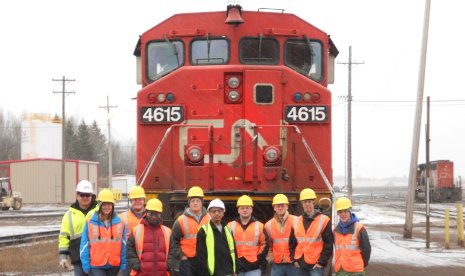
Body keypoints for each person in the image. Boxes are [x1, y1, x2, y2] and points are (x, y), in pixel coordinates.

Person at [80, 188, 127, 275]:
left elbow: (124, 245)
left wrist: (124, 264)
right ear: (99, 205)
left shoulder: (120, 222)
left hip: (114, 265)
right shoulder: (90, 222)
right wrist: (86, 265)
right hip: (96, 265)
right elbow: (84, 245)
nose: (106, 207)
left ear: (113, 205)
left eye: (109, 204)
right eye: (104, 204)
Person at [58, 180, 98, 275]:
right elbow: (64, 237)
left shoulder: (99, 212)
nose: (85, 197)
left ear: (91, 195)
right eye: (82, 195)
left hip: (97, 259)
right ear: (77, 195)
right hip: (78, 259)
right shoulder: (69, 215)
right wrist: (63, 257)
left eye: (87, 195)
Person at [168, 186, 210, 276]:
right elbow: (173, 240)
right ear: (189, 202)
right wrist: (181, 256)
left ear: (202, 202)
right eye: (193, 201)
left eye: (198, 201)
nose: (195, 203)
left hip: (205, 260)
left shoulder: (209, 219)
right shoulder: (181, 220)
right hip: (187, 262)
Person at [127, 198, 172, 275]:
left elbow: (173, 250)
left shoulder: (168, 232)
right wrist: (137, 265)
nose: (154, 217)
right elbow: (130, 249)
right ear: (146, 213)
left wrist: (168, 265)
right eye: (151, 213)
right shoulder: (136, 230)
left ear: (160, 214)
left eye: (156, 214)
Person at [293, 188, 333, 276]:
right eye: (305, 202)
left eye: (309, 201)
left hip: (316, 265)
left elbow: (329, 244)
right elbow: (292, 242)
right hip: (300, 264)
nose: (307, 204)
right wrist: (294, 260)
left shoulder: (324, 220)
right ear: (302, 204)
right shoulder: (297, 221)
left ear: (313, 203)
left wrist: (321, 262)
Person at [227, 195, 269, 276]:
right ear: (238, 210)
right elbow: (226, 245)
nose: (245, 210)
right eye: (242, 208)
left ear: (251, 209)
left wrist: (259, 259)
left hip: (253, 267)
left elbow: (265, 244)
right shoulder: (230, 226)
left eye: (247, 208)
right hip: (236, 267)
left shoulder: (259, 226)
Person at [196, 198, 237, 276]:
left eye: (219, 211)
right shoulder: (203, 231)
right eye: (214, 211)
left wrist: (235, 270)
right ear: (209, 213)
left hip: (228, 272)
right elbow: (201, 256)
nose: (217, 213)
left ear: (223, 213)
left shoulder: (228, 230)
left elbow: (233, 252)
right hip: (212, 273)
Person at [333, 197, 371, 276]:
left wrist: (361, 265)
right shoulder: (336, 231)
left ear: (350, 211)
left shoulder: (359, 229)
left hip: (355, 272)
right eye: (340, 212)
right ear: (338, 213)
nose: (343, 214)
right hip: (340, 270)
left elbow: (366, 250)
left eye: (346, 211)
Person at [265, 194, 298, 276]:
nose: (280, 208)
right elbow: (267, 245)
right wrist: (270, 257)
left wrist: (298, 259)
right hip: (277, 264)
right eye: (278, 206)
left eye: (282, 205)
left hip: (293, 263)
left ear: (287, 206)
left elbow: (301, 241)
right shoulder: (268, 225)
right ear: (274, 208)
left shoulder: (296, 221)